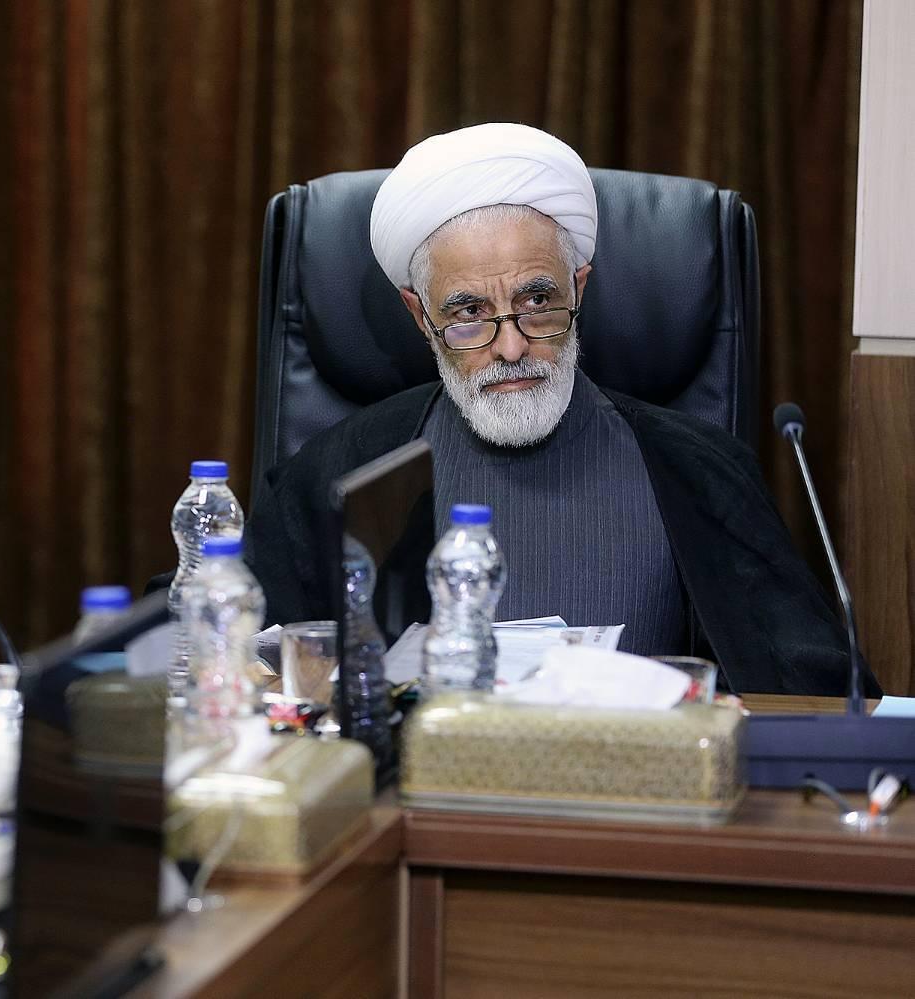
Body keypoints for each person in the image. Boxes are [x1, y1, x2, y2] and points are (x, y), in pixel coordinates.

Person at [244, 123, 868, 697]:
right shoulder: (332, 476)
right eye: (469, 313)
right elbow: (255, 683)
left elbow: (813, 700)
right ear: (420, 316)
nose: (511, 348)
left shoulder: (702, 470)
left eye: (538, 301)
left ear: (579, 288)